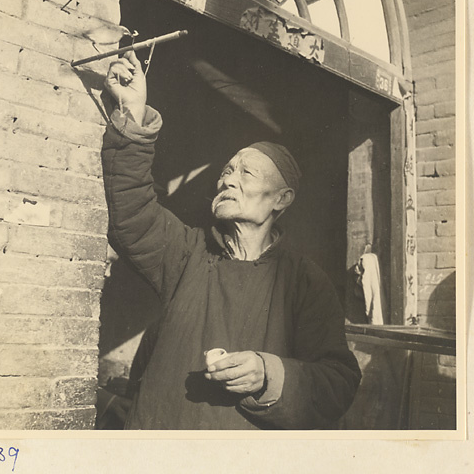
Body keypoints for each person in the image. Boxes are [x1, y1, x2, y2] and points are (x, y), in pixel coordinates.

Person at [100, 50, 361, 430]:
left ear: (281, 199)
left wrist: (270, 375)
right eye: (226, 170)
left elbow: (340, 381)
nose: (227, 179)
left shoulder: (304, 281)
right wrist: (133, 114)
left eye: (247, 173)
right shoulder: (188, 251)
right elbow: (131, 211)